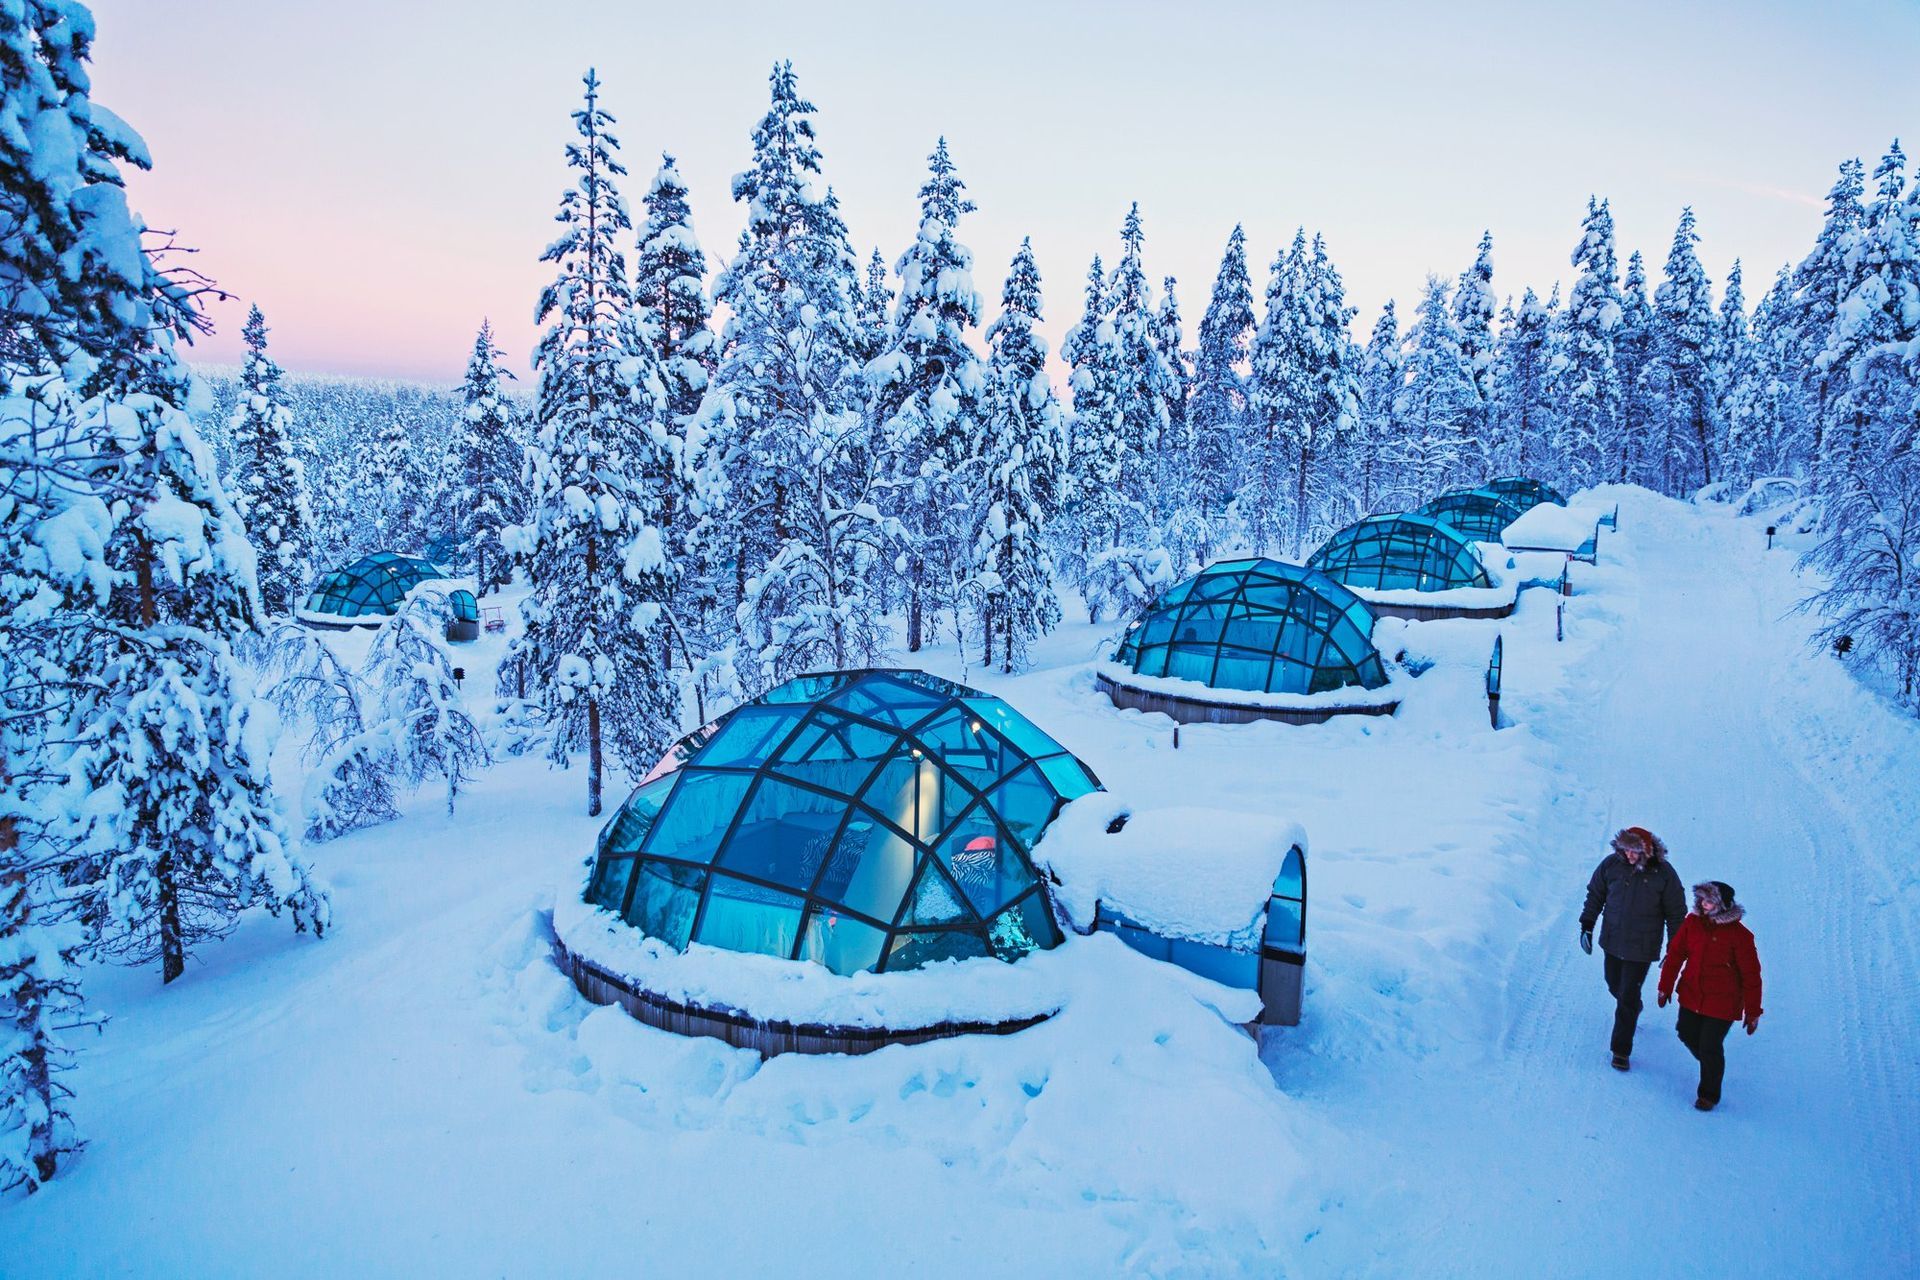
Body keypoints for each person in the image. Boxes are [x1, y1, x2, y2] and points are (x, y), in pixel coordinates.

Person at [1579, 826, 1685, 1070]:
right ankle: (1634, 1006)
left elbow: (1676, 913)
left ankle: (1621, 1050)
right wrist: (1587, 924)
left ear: (1646, 851)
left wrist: (1675, 948)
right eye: (1625, 850)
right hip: (1613, 941)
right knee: (1613, 983)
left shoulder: (1664, 874)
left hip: (1642, 947)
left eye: (1634, 851)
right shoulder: (1611, 866)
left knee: (1626, 995)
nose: (1629, 855)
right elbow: (1595, 894)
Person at [1658, 881, 1762, 1112]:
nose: (1705, 905)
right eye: (1703, 900)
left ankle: (1709, 1094)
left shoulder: (1740, 936)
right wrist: (1665, 986)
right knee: (1685, 1033)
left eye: (1711, 901)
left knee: (1710, 1045)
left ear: (1723, 905)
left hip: (1723, 1003)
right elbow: (1676, 955)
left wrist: (1753, 1011)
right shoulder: (1692, 923)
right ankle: (1711, 1066)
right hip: (1692, 994)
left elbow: (1751, 976)